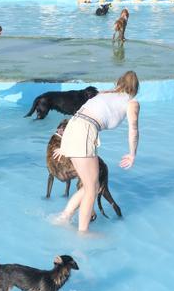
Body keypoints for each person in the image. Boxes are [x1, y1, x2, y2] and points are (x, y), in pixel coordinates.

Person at [53, 71, 140, 233]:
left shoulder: (104, 94)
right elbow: (133, 129)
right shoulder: (131, 102)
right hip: (84, 131)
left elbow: (82, 115)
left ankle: (63, 217)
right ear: (136, 89)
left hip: (72, 127)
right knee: (93, 187)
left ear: (118, 82)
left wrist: (65, 145)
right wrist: (132, 153)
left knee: (89, 185)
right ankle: (83, 233)